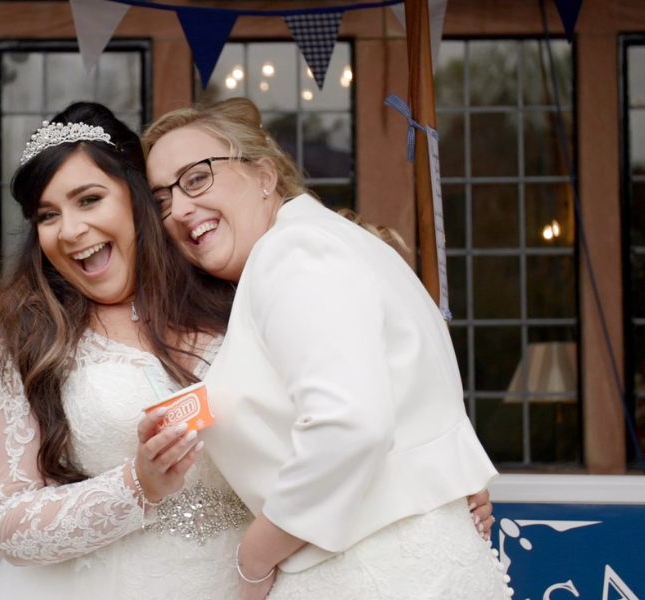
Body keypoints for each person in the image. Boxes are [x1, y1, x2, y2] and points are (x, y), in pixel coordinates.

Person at [143, 97, 507, 600]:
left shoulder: (294, 253)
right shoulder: (339, 243)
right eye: (161, 198)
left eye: (197, 178)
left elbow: (349, 424)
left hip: (370, 571)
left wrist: (255, 555)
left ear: (265, 174)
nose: (178, 209)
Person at [0, 102, 250, 600]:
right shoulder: (28, 336)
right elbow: (10, 524)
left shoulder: (230, 298)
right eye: (48, 215)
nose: (70, 230)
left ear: (136, 196)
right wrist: (136, 484)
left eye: (89, 199)